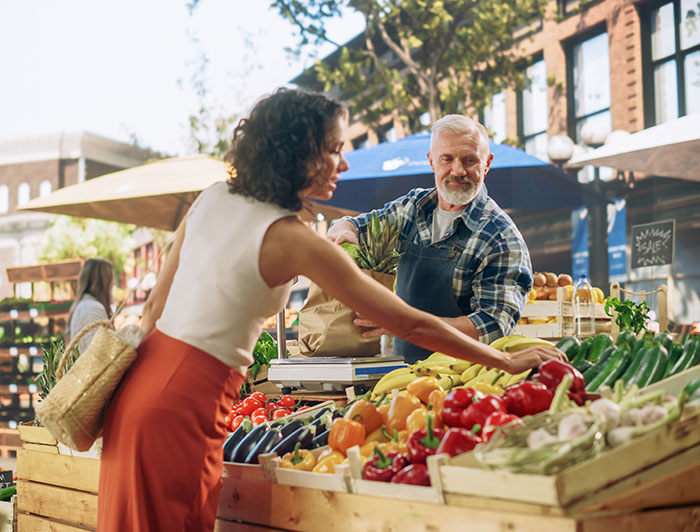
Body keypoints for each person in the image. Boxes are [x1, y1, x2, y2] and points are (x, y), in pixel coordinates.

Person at [96, 88, 565, 532]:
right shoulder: (292, 237)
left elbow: (154, 309)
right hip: (184, 404)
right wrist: (504, 360)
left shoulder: (213, 196)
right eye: (334, 149)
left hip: (141, 390)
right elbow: (406, 321)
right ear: (301, 155)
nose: (343, 161)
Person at [327, 115, 533, 363]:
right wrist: (343, 229)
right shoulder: (413, 207)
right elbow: (355, 225)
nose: (458, 170)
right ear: (432, 161)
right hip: (401, 373)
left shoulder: (501, 237)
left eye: (469, 160)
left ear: (487, 164)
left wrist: (405, 325)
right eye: (447, 159)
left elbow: (492, 327)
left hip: (462, 383)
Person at [66, 258, 114, 353]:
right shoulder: (94, 308)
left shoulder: (83, 305)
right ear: (105, 282)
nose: (113, 284)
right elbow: (98, 353)